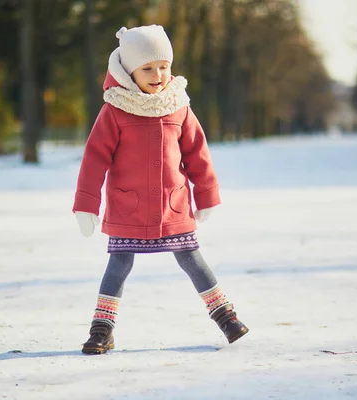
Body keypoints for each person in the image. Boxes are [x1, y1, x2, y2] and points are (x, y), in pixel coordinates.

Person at [72, 25, 248, 355]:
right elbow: (94, 159)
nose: (158, 75)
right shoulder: (115, 109)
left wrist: (207, 193)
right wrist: (86, 205)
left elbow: (198, 152)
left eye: (163, 67)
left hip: (173, 206)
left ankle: (226, 315)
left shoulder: (178, 106)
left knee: (192, 259)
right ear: (129, 72)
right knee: (119, 264)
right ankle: (101, 329)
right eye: (148, 69)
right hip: (129, 208)